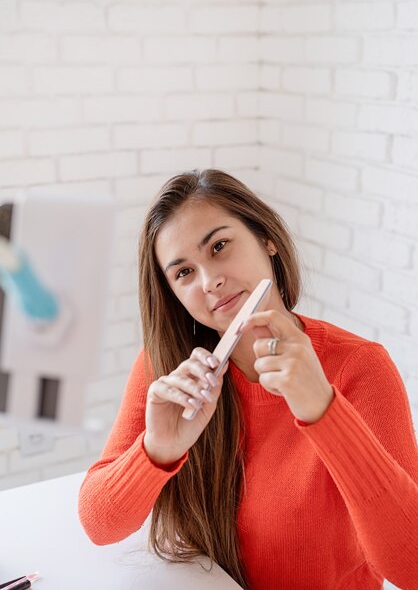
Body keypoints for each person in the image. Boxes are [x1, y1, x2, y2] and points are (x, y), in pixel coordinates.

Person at [78, 169, 418, 590]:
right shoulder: (165, 368)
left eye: (219, 246)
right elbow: (98, 525)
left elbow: (410, 568)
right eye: (184, 273)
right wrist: (157, 451)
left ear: (266, 239)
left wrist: (323, 411)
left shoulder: (361, 367)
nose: (210, 281)